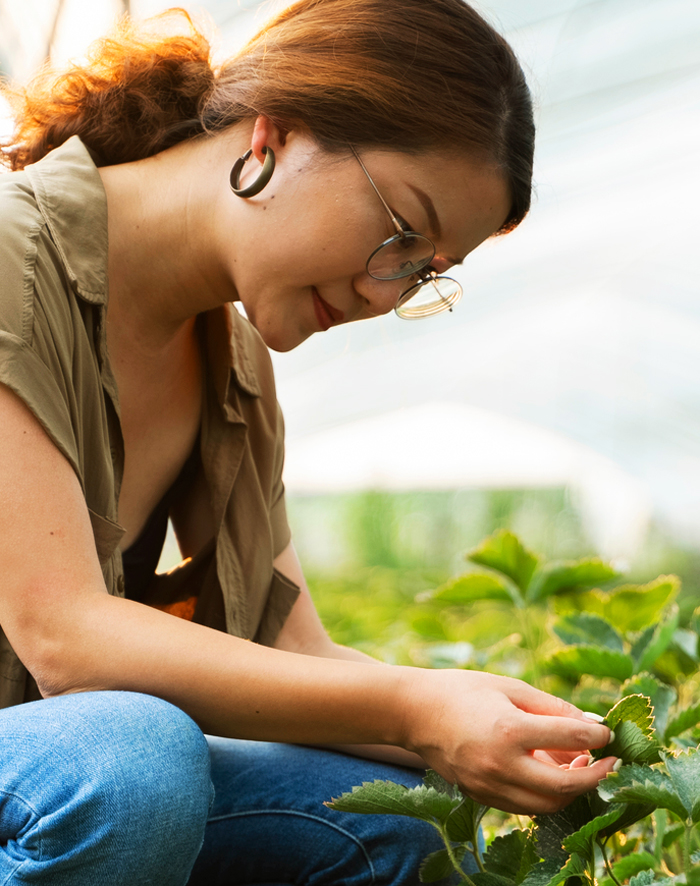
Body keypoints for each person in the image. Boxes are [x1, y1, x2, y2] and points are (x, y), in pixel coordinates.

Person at [0, 0, 619, 883]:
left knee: (399, 821)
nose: (384, 294)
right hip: (58, 767)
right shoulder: (13, 256)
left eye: (424, 274)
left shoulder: (231, 363)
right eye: (401, 232)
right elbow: (64, 638)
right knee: (130, 760)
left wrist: (506, 731)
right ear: (274, 135)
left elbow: (297, 651)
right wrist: (418, 707)